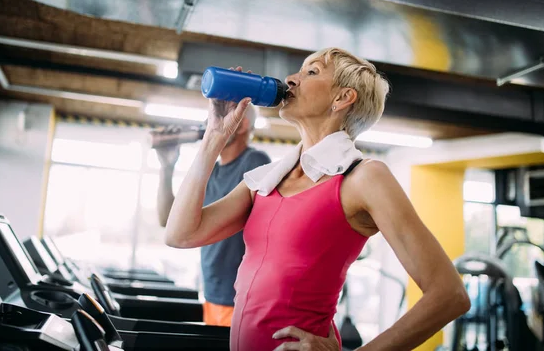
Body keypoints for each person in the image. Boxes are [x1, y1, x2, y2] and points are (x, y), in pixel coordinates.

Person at [164, 48, 471, 351]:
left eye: (311, 72)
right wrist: (214, 136)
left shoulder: (363, 177)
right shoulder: (266, 180)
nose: (290, 79)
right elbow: (181, 234)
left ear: (342, 98)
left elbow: (449, 295)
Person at [155, 103, 271, 327]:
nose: (212, 125)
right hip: (212, 292)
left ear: (242, 124)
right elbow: (167, 221)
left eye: (220, 119)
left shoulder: (254, 161)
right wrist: (166, 167)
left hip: (240, 298)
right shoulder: (213, 171)